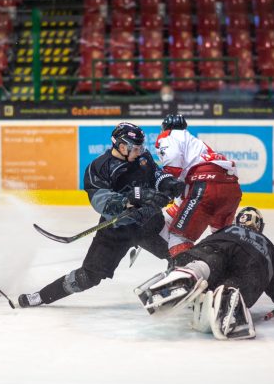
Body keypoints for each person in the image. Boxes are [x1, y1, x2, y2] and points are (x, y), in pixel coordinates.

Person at [17, 122, 185, 308]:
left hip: (150, 225)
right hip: (117, 231)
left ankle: (183, 289)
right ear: (122, 147)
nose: (141, 151)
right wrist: (134, 197)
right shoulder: (98, 168)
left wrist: (168, 183)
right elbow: (102, 202)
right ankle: (41, 296)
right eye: (136, 148)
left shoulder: (142, 157)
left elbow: (156, 174)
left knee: (182, 255)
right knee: (87, 276)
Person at [135, 207, 274, 340]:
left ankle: (192, 272)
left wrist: (182, 263)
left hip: (217, 246)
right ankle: (230, 294)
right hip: (254, 261)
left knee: (208, 261)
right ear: (259, 226)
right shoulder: (266, 243)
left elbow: (200, 247)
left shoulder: (226, 230)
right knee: (241, 283)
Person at [155, 114, 242, 257]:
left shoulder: (168, 135)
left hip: (205, 188)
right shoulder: (197, 145)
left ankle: (184, 275)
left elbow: (173, 166)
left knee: (180, 238)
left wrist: (164, 185)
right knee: (220, 238)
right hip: (231, 189)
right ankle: (224, 272)